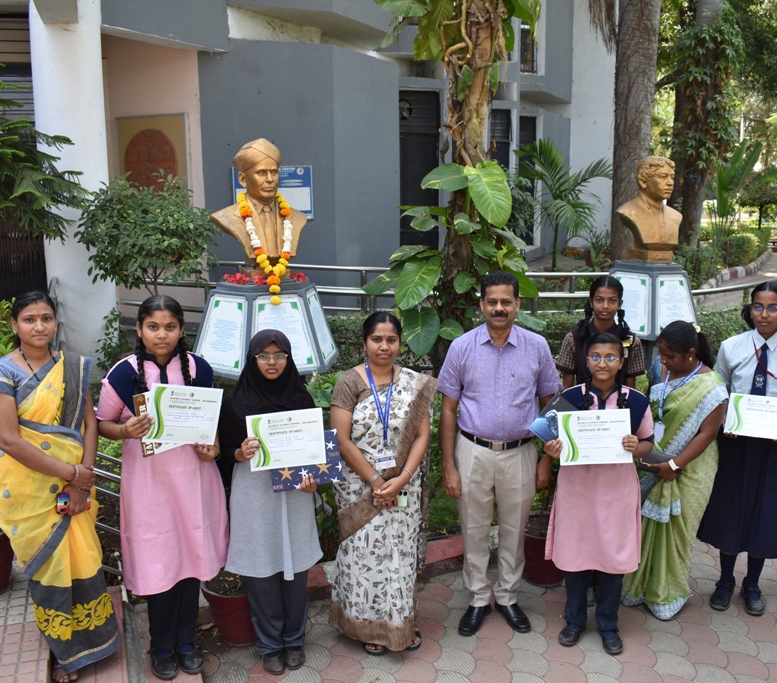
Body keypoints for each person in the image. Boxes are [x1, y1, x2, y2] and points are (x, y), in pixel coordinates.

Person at [0, 291, 121, 683]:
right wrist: (71, 473)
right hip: (30, 493)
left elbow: (90, 423)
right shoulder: (0, 374)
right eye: (29, 319)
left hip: (74, 481)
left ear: (55, 322)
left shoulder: (70, 367)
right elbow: (9, 440)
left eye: (46, 317)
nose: (39, 326)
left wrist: (83, 476)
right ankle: (66, 653)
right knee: (49, 567)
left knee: (84, 560)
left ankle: (99, 640)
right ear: (14, 325)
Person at [96, 295, 228, 680]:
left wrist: (213, 448)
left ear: (181, 330)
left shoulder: (198, 368)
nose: (161, 334)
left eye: (170, 327)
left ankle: (186, 642)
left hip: (194, 480)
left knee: (190, 562)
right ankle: (161, 644)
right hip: (149, 487)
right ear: (139, 329)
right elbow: (102, 422)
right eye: (153, 326)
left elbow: (211, 421)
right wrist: (124, 430)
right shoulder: (122, 374)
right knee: (160, 563)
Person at [439, 270, 562, 636]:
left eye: (506, 301)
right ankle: (478, 598)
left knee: (513, 529)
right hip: (472, 451)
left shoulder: (536, 346)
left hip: (520, 452)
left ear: (517, 305)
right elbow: (447, 409)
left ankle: (508, 597)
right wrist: (448, 464)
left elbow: (550, 404)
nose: (499, 308)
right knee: (474, 529)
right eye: (491, 301)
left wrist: (545, 458)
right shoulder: (461, 347)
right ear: (481, 305)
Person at [698, 282, 777, 616]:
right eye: (758, 307)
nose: (764, 314)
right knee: (731, 508)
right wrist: (725, 423)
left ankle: (752, 583)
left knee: (765, 511)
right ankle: (724, 581)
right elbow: (720, 392)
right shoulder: (731, 348)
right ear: (749, 310)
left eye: (773, 307)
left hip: (776, 448)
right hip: (736, 443)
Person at [329, 313, 438, 654]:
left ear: (400, 343)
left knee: (399, 556)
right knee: (363, 556)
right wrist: (376, 480)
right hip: (360, 487)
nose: (384, 346)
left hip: (403, 484)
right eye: (377, 339)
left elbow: (423, 434)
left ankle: (399, 623)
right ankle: (366, 627)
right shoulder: (349, 382)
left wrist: (402, 478)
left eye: (391, 339)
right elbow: (342, 440)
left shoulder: (413, 383)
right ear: (365, 342)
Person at [541, 333, 654, 655]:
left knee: (612, 560)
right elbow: (546, 439)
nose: (602, 363)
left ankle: (608, 623)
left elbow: (648, 443)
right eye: (595, 357)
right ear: (585, 361)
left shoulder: (636, 401)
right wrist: (551, 448)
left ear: (621, 362)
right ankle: (574, 621)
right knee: (575, 557)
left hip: (617, 491)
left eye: (609, 357)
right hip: (577, 490)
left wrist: (637, 446)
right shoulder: (569, 397)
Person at [217, 330, 321, 674]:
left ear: (289, 359)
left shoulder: (301, 399)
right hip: (254, 492)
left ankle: (294, 640)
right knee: (261, 569)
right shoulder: (235, 403)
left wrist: (312, 481)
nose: (272, 362)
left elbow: (314, 455)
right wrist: (238, 451)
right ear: (252, 360)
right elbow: (221, 457)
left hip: (294, 493)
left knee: (296, 568)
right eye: (264, 356)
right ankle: (269, 644)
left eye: (279, 355)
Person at [622, 321, 728, 620]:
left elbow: (707, 434)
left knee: (679, 532)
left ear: (691, 354)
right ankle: (638, 586)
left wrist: (673, 465)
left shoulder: (712, 385)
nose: (663, 360)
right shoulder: (664, 369)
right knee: (645, 528)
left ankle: (668, 594)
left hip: (693, 468)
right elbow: (650, 411)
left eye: (669, 356)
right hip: (655, 462)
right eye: (662, 354)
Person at [211, 138, 309, 263]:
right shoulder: (227, 217)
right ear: (243, 179)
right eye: (262, 173)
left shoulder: (297, 217)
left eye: (274, 172)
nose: (270, 179)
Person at [555, 275, 645, 390]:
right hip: (582, 405)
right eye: (599, 300)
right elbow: (567, 388)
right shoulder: (574, 338)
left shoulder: (630, 340)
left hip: (618, 405)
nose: (605, 306)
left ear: (620, 304)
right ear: (591, 302)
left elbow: (630, 388)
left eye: (612, 301)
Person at [614, 156, 682, 262]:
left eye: (672, 177)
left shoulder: (676, 216)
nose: (670, 183)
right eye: (663, 176)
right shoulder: (627, 211)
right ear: (643, 180)